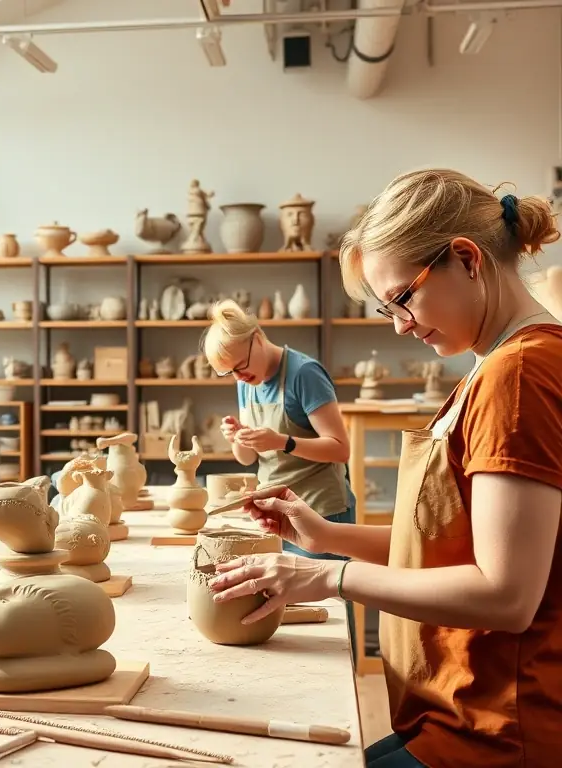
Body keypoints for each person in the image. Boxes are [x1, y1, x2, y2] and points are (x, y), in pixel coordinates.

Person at [208, 169, 562, 768]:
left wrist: (328, 577)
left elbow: (506, 595)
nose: (399, 324)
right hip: (461, 708)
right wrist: (326, 538)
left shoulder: (519, 375)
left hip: (499, 731)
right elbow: (454, 548)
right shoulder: (497, 367)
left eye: (402, 298)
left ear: (467, 260)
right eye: (386, 308)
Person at [201, 299, 357, 657]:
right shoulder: (246, 382)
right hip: (276, 515)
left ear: (257, 337)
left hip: (321, 512)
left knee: (328, 625)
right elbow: (248, 459)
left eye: (240, 367)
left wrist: (283, 441)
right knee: (287, 621)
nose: (239, 378)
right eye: (230, 374)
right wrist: (238, 438)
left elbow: (339, 448)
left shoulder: (304, 374)